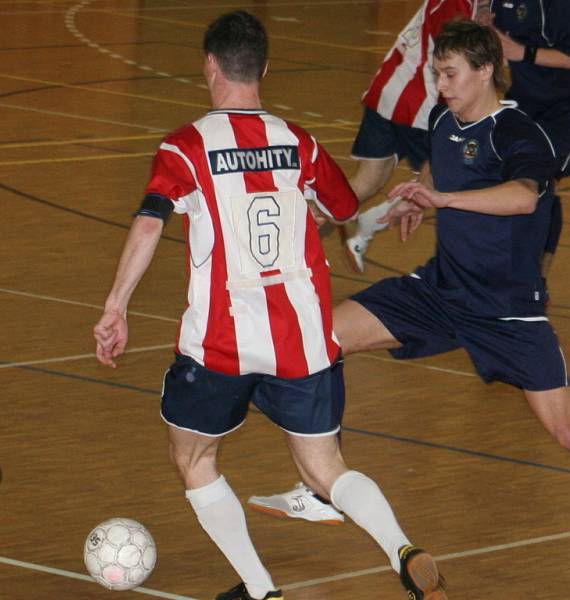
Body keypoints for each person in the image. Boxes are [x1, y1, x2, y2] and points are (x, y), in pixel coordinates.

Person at [248, 20, 570, 600]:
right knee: (318, 337)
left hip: (509, 314)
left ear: (485, 71)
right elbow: (438, 165)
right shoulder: (441, 120)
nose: (441, 85)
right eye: (436, 73)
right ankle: (326, 481)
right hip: (441, 291)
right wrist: (418, 197)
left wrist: (445, 199)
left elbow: (524, 196)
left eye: (450, 74)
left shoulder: (519, 133)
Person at [92, 11, 446, 600]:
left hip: (222, 343)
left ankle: (261, 590)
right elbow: (339, 209)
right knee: (325, 469)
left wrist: (115, 306)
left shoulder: (186, 147)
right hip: (303, 340)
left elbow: (150, 223)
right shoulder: (297, 141)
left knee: (196, 458)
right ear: (265, 69)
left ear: (211, 66)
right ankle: (403, 549)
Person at [339, 0, 478, 273]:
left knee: (365, 183)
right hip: (420, 104)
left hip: (389, 90)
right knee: (438, 182)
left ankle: (294, 234)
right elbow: (452, 60)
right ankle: (366, 226)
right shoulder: (456, 4)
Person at [482, 0, 570, 281]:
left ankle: (536, 280)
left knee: (539, 184)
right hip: (523, 99)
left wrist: (521, 52)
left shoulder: (557, 5)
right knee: (506, 178)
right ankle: (502, 267)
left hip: (563, 109)